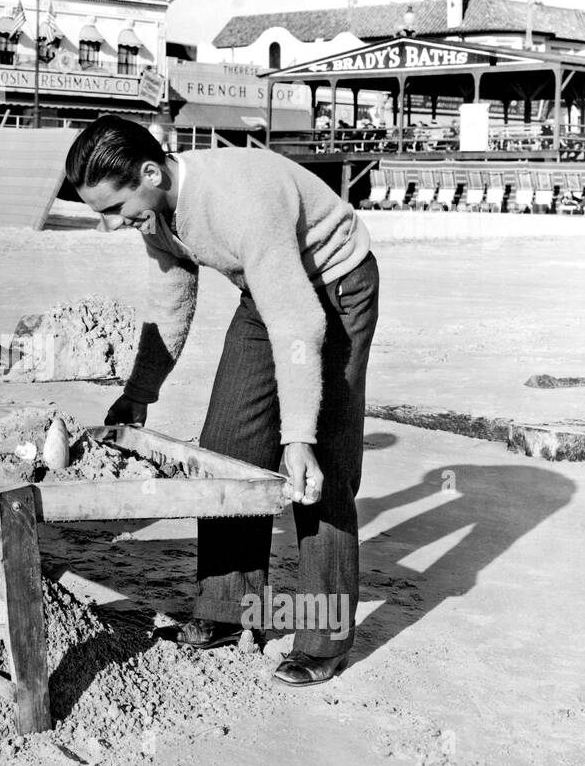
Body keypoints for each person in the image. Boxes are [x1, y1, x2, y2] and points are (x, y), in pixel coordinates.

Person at [65, 115, 378, 686]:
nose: (110, 226)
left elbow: (300, 325)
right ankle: (231, 610)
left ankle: (323, 638)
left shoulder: (238, 204)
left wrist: (298, 438)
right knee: (228, 445)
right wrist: (139, 394)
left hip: (333, 287)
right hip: (267, 291)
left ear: (151, 172)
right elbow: (171, 300)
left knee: (318, 473)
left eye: (114, 209)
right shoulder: (156, 213)